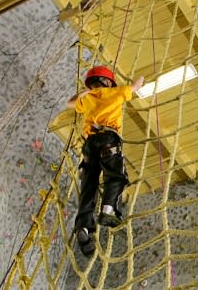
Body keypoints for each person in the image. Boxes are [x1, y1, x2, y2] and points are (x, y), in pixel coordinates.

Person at [66, 66, 144, 257]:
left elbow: (69, 104)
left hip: (89, 143)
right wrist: (141, 77)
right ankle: (108, 208)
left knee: (89, 186)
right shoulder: (115, 92)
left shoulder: (88, 98)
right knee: (116, 176)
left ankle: (83, 226)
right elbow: (136, 86)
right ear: (108, 82)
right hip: (108, 139)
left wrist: (83, 93)